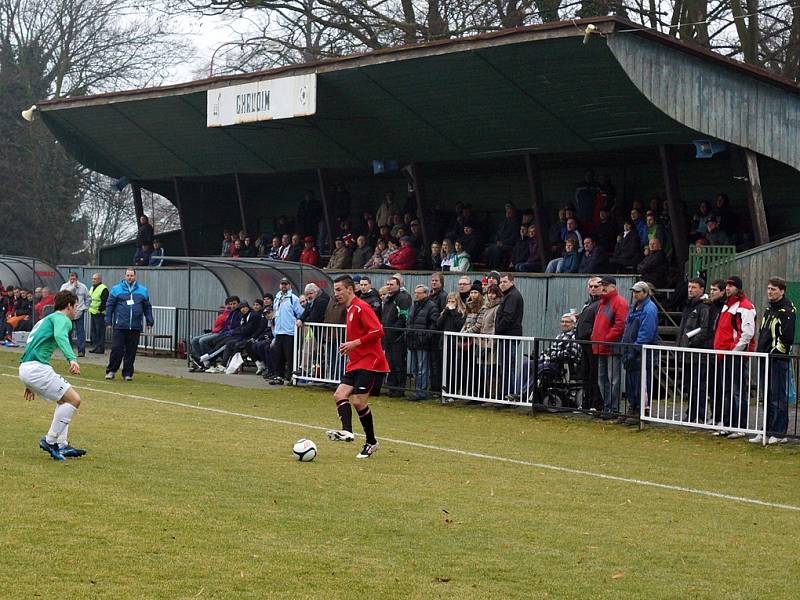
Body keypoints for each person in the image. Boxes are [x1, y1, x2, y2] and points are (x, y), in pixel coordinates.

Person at [325, 275, 389, 458]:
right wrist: (351, 347)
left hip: (370, 361)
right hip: (356, 362)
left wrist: (354, 343)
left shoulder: (362, 307)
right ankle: (347, 431)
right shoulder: (350, 309)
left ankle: (371, 442)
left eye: (339, 290)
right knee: (339, 395)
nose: (336, 293)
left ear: (350, 289)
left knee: (359, 401)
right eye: (335, 290)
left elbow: (379, 331)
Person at [18, 290, 86, 461]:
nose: (76, 310)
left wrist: (29, 383)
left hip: (26, 367)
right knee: (74, 399)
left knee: (63, 400)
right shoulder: (62, 319)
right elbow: (60, 336)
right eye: (75, 306)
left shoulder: (44, 320)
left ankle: (62, 445)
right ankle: (49, 441)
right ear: (69, 306)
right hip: (37, 369)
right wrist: (72, 358)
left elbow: (30, 344)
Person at [751, 277, 795, 445]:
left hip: (777, 359)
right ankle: (766, 430)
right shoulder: (769, 309)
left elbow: (786, 337)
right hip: (764, 358)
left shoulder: (787, 310)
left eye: (774, 289)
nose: (770, 292)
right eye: (769, 289)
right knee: (766, 396)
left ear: (782, 291)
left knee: (778, 396)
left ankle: (779, 432)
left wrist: (774, 353)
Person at [712, 276, 756, 438]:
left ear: (738, 288)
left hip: (734, 355)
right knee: (727, 390)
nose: (728, 288)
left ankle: (740, 425)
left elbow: (747, 334)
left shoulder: (745, 307)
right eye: (727, 286)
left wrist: (734, 350)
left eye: (731, 286)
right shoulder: (727, 306)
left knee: (738, 391)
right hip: (724, 354)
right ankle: (728, 423)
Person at [104, 268, 154, 381]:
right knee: (117, 349)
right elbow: (110, 305)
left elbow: (147, 307)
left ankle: (127, 373)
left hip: (135, 326)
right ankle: (111, 370)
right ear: (125, 276)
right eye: (128, 275)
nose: (129, 277)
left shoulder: (143, 290)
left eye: (131, 275)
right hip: (120, 325)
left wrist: (149, 321)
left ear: (135, 276)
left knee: (131, 351)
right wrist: (108, 321)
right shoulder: (116, 289)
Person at [620, 281, 658, 423]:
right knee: (631, 382)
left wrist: (636, 347)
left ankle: (642, 411)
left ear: (645, 292)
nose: (635, 294)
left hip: (641, 352)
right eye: (634, 291)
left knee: (641, 382)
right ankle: (633, 407)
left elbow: (646, 332)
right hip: (632, 350)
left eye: (638, 291)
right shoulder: (635, 307)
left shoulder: (649, 309)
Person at [591, 276, 629, 417]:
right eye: (602, 285)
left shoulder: (619, 302)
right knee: (603, 379)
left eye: (605, 285)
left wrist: (606, 338)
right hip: (601, 345)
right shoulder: (603, 302)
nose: (603, 287)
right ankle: (608, 407)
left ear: (613, 286)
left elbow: (620, 325)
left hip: (611, 347)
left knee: (613, 379)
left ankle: (613, 408)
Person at [676, 278, 713, 422]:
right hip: (687, 354)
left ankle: (699, 414)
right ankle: (691, 412)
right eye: (689, 287)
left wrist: (691, 344)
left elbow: (704, 330)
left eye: (694, 287)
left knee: (699, 386)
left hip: (697, 354)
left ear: (702, 289)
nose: (690, 289)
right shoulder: (689, 306)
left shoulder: (704, 308)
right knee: (689, 385)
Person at [575, 277, 603, 412]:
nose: (593, 288)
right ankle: (586, 403)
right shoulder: (588, 303)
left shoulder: (601, 303)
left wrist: (589, 333)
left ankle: (595, 404)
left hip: (593, 343)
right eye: (591, 286)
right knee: (585, 374)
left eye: (596, 286)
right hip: (584, 343)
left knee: (594, 375)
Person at [381, 276, 411, 397]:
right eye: (388, 284)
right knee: (390, 363)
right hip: (387, 336)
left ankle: (399, 388)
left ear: (398, 285)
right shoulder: (388, 299)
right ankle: (392, 387)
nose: (389, 286)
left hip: (398, 337)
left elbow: (403, 316)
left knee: (399, 363)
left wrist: (394, 331)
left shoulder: (402, 298)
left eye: (392, 284)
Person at [271, 277, 305, 384]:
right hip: (279, 332)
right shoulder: (277, 298)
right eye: (282, 284)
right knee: (278, 356)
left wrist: (297, 321)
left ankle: (290, 376)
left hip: (290, 332)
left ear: (289, 285)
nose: (283, 286)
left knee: (289, 356)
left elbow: (300, 312)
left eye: (285, 284)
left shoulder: (293, 299)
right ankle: (278, 376)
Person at [406, 285, 437, 400]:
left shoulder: (431, 306)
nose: (416, 295)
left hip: (423, 342)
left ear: (425, 293)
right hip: (413, 340)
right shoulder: (415, 305)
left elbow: (434, 324)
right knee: (414, 368)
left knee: (422, 368)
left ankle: (422, 391)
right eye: (415, 292)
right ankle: (417, 389)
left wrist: (426, 336)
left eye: (419, 293)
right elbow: (410, 320)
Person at [59, 272, 90, 357]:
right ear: (69, 278)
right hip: (68, 312)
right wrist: (72, 287)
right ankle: (68, 350)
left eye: (74, 279)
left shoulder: (83, 287)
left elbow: (88, 298)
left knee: (80, 332)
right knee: (68, 331)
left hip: (79, 311)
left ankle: (81, 350)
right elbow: (61, 296)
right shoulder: (64, 286)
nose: (73, 280)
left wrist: (85, 307)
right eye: (71, 279)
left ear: (77, 278)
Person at [88, 273, 111, 354]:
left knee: (100, 331)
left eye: (95, 279)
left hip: (100, 313)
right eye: (93, 279)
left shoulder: (103, 288)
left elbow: (105, 301)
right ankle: (95, 346)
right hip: (93, 312)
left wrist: (100, 310)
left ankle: (100, 348)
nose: (93, 280)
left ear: (100, 279)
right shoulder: (92, 288)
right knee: (94, 331)